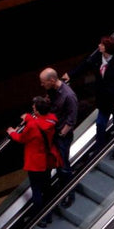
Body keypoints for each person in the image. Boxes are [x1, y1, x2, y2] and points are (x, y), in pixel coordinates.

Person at [63, 36, 114, 159]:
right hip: (103, 99)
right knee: (100, 124)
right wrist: (71, 75)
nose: (99, 46)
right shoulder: (98, 58)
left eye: (102, 45)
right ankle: (100, 148)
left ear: (107, 49)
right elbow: (85, 64)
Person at [7, 96, 62, 228]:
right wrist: (29, 118)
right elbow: (40, 124)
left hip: (35, 163)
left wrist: (12, 132)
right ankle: (49, 214)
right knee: (47, 187)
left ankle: (41, 218)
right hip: (47, 160)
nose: (32, 109)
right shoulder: (52, 119)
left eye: (34, 108)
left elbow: (21, 138)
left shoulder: (32, 125)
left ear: (37, 111)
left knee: (36, 190)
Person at [39, 67, 78, 207]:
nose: (42, 85)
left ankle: (69, 193)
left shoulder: (68, 96)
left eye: (43, 82)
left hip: (62, 136)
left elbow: (71, 120)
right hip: (52, 132)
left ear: (52, 80)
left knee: (63, 165)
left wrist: (61, 134)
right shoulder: (52, 91)